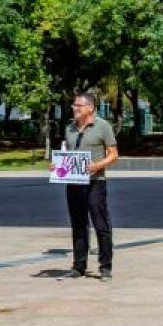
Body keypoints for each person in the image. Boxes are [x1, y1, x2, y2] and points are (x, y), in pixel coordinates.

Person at [61, 93, 119, 282]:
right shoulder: (69, 129)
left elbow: (114, 154)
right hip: (74, 184)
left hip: (95, 182)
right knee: (78, 225)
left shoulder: (103, 126)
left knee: (101, 224)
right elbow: (67, 155)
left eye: (78, 105)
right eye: (74, 104)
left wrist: (98, 165)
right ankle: (79, 266)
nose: (74, 108)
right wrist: (58, 167)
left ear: (90, 108)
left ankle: (105, 267)